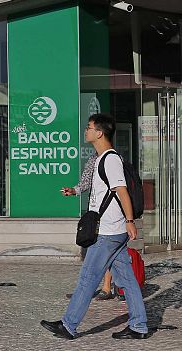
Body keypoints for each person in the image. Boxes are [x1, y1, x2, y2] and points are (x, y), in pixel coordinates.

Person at [41, 114, 148, 340]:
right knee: (128, 281)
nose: (86, 131)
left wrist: (130, 221)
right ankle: (139, 326)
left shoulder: (110, 159)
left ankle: (68, 325)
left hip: (109, 232)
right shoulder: (102, 159)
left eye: (89, 127)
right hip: (113, 230)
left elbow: (122, 192)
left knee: (88, 278)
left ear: (99, 133)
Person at [61, 155, 117, 301]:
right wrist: (74, 190)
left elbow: (120, 188)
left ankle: (106, 287)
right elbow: (86, 181)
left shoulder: (114, 158)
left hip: (110, 212)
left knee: (106, 252)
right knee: (95, 251)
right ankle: (88, 289)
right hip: (94, 212)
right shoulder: (93, 159)